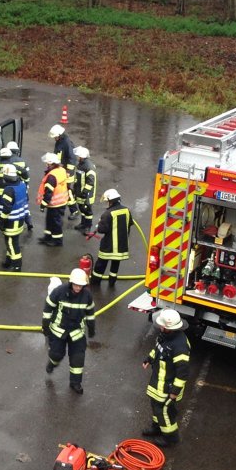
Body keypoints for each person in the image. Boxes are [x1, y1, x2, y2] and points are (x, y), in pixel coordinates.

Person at [43, 268, 96, 395]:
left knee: (78, 358)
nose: (78, 288)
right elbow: (48, 307)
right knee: (57, 354)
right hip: (58, 330)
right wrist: (45, 325)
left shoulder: (87, 295)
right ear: (71, 282)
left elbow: (90, 312)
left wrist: (91, 326)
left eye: (81, 285)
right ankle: (52, 363)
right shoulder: (59, 292)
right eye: (76, 285)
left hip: (77, 332)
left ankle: (75, 383)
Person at [142, 308, 190, 446]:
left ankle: (170, 437)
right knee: (155, 406)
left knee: (164, 411)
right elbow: (158, 349)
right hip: (159, 383)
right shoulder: (165, 336)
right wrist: (148, 359)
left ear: (170, 327)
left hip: (168, 387)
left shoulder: (180, 346)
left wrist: (175, 391)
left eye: (163, 325)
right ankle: (157, 428)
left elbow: (183, 372)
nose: (160, 327)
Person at [90, 188, 133, 286]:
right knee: (115, 265)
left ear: (110, 201)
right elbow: (129, 223)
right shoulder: (126, 210)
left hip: (108, 246)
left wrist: (100, 224)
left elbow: (101, 230)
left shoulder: (107, 214)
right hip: (122, 245)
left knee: (100, 265)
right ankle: (112, 282)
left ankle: (95, 283)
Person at [0, 163, 29, 271]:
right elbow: (26, 201)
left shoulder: (9, 190)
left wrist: (1, 220)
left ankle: (16, 265)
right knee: (11, 242)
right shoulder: (22, 184)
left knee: (12, 243)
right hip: (20, 220)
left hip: (11, 221)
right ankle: (8, 261)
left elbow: (6, 208)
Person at [36, 152, 69, 246]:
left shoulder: (51, 176)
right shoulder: (61, 170)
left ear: (51, 164)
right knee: (50, 220)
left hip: (55, 203)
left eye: (47, 163)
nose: (46, 165)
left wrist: (43, 204)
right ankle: (48, 237)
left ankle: (57, 241)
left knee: (55, 222)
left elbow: (48, 193)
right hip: (60, 201)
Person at [48, 124, 77, 218]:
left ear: (59, 135)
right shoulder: (60, 141)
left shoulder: (67, 143)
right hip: (61, 170)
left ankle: (74, 210)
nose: (54, 138)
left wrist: (68, 171)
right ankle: (62, 209)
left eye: (55, 136)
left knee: (67, 190)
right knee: (61, 190)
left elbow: (72, 159)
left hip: (67, 172)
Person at [6, 141, 33, 231]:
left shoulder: (7, 161)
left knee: (9, 204)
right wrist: (26, 186)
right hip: (22, 187)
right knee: (24, 205)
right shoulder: (23, 161)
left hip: (11, 186)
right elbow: (27, 175)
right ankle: (29, 222)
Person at [72, 146, 97, 233]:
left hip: (87, 194)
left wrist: (84, 192)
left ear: (82, 157)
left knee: (88, 211)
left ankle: (88, 227)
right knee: (82, 209)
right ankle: (83, 224)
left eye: (78, 156)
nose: (77, 157)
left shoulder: (89, 167)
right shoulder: (80, 165)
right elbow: (78, 178)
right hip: (80, 192)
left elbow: (90, 182)